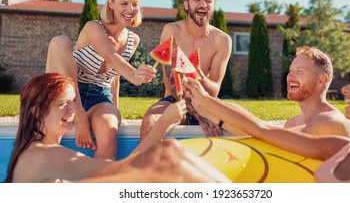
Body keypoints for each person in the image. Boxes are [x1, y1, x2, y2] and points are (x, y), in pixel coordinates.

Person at [184, 56, 350, 182]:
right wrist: (208, 105)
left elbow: (265, 137)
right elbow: (264, 133)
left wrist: (211, 107)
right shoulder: (340, 147)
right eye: (290, 71)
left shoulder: (330, 123)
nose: (345, 89)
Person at [5, 73, 229, 183]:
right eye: (63, 104)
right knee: (169, 153)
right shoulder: (46, 156)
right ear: (36, 110)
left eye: (74, 101)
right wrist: (162, 124)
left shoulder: (32, 149)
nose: (74, 110)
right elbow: (126, 170)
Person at [45, 0, 157, 160]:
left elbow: (114, 78)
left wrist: (116, 111)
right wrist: (134, 74)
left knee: (109, 126)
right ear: (111, 3)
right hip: (68, 91)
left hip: (100, 95)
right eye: (124, 3)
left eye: (135, 4)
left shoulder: (132, 40)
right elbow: (110, 56)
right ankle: (72, 113)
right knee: (60, 41)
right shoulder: (93, 27)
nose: (131, 9)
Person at [140, 0, 232, 141]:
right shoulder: (171, 31)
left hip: (206, 101)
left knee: (239, 128)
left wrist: (202, 79)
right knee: (150, 121)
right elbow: (171, 84)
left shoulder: (222, 40)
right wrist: (197, 112)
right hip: (175, 100)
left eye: (208, 0)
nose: (203, 4)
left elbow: (214, 90)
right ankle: (143, 166)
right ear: (186, 4)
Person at [284, 46, 350, 138]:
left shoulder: (333, 121)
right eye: (290, 70)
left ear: (321, 80)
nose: (289, 76)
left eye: (299, 71)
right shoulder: (291, 124)